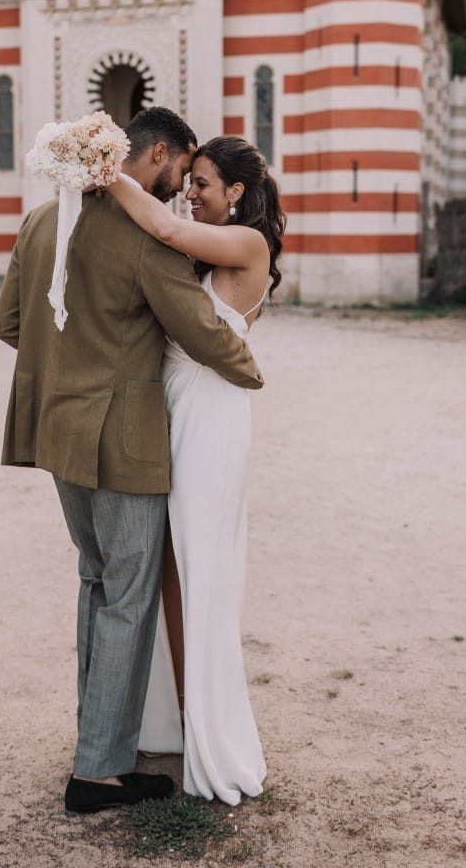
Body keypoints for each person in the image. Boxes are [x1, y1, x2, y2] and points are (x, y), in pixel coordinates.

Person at [0, 109, 264, 815]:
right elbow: (202, 333)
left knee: (96, 582)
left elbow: (10, 325)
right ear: (164, 154)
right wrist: (250, 367)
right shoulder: (146, 243)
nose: (182, 188)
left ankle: (99, 744)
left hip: (58, 435)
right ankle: (100, 771)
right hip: (123, 442)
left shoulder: (39, 222)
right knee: (127, 595)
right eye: (184, 171)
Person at [106, 135, 286, 805]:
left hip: (211, 418)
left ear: (236, 192)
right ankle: (182, 718)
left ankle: (211, 730)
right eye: (192, 182)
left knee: (201, 568)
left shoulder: (246, 246)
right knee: (172, 570)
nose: (191, 192)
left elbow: (155, 221)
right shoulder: (203, 241)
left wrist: (97, 166)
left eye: (203, 183)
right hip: (176, 412)